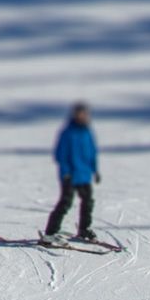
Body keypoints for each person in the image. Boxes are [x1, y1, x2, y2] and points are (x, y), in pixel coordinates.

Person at [45, 102, 99, 244]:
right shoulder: (68, 132)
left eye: (84, 113)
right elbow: (60, 154)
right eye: (79, 113)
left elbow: (92, 152)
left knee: (88, 202)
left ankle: (84, 229)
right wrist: (65, 172)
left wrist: (95, 170)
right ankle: (50, 233)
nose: (82, 116)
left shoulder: (87, 131)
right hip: (70, 174)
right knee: (65, 202)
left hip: (84, 174)